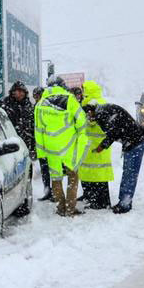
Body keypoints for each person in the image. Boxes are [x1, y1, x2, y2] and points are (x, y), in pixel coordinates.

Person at [34, 77, 89, 217]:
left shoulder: (40, 104)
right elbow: (81, 121)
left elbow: (38, 130)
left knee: (56, 178)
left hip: (51, 147)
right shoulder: (70, 99)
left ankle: (60, 208)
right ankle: (70, 209)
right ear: (62, 85)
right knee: (73, 177)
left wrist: (41, 153)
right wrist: (80, 136)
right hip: (69, 144)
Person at [83, 100, 144, 213]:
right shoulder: (104, 110)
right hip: (132, 140)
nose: (88, 118)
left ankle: (125, 204)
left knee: (130, 173)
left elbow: (113, 132)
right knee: (128, 172)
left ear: (91, 111)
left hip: (135, 141)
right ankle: (124, 202)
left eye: (87, 115)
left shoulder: (103, 114)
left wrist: (101, 147)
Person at [78, 81, 114, 209]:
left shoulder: (95, 103)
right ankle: (90, 196)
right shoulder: (92, 102)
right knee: (90, 172)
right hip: (91, 144)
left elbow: (92, 122)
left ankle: (100, 202)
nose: (82, 92)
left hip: (97, 145)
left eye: (84, 90)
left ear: (89, 91)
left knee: (98, 174)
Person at [31, 85, 52, 201]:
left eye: (38, 96)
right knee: (45, 169)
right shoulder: (35, 107)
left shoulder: (48, 108)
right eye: (35, 96)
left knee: (52, 169)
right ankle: (47, 190)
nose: (37, 98)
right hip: (40, 145)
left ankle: (53, 191)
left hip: (49, 144)